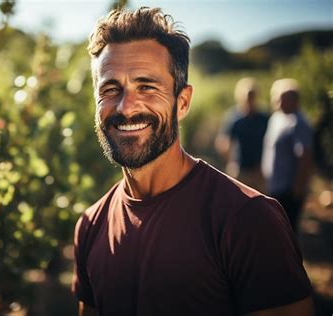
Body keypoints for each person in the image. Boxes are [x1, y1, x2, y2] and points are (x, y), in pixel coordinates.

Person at [72, 7, 313, 316]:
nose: (126, 106)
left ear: (182, 102)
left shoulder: (249, 221)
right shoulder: (91, 226)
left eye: (146, 86)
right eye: (110, 88)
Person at [262, 79, 313, 233]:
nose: (277, 102)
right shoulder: (276, 119)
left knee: (287, 231)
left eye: (282, 98)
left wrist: (298, 187)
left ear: (294, 100)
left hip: (288, 190)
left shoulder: (299, 123)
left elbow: (304, 156)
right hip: (274, 186)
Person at [215, 77, 269, 191]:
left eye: (252, 96)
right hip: (240, 170)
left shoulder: (264, 118)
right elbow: (222, 143)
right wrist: (231, 162)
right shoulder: (233, 118)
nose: (250, 100)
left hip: (259, 171)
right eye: (247, 97)